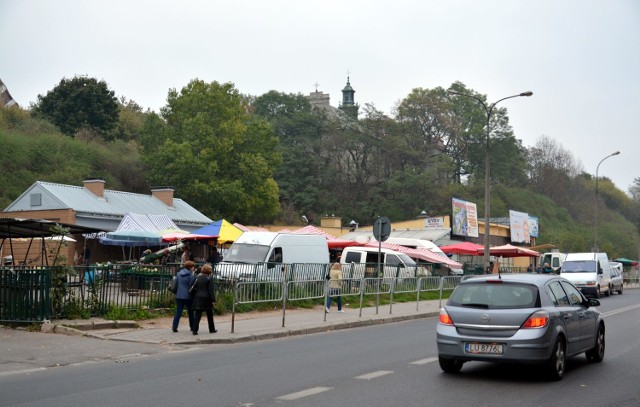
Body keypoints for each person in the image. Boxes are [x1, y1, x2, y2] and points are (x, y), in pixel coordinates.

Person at [191, 263, 217, 335]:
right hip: (206, 298)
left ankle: (195, 330)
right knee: (209, 314)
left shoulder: (198, 276)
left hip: (198, 297)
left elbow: (194, 287)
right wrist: (213, 300)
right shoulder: (209, 278)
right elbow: (211, 290)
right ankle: (212, 329)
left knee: (197, 315)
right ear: (209, 270)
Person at [172, 260, 196, 333]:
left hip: (179, 295)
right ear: (190, 267)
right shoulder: (191, 275)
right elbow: (192, 286)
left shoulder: (178, 274)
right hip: (188, 296)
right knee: (191, 312)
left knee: (178, 312)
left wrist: (177, 292)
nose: (194, 268)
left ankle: (174, 326)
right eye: (193, 267)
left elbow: (175, 284)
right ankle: (192, 327)